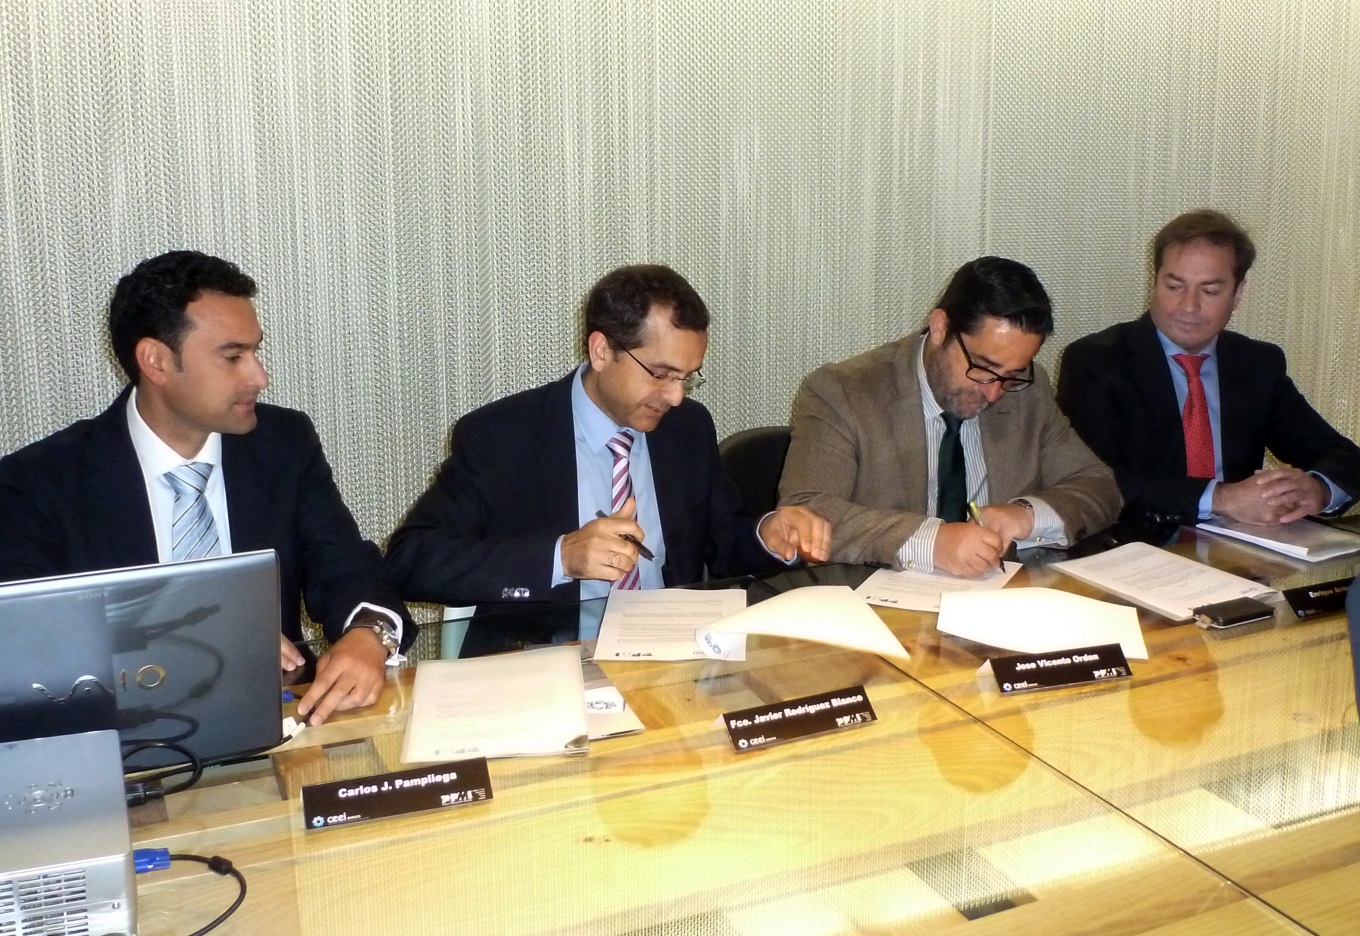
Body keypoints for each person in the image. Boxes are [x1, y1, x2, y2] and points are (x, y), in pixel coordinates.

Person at [0, 250, 413, 725]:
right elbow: (26, 641)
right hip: (118, 737)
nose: (259, 376)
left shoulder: (283, 444)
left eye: (255, 352)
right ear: (156, 361)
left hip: (273, 723)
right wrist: (187, 646)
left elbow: (345, 566)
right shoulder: (40, 481)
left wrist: (369, 633)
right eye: (232, 357)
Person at [386, 264, 830, 656]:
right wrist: (560, 557)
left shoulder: (687, 429)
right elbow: (411, 560)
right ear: (601, 351)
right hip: (546, 663)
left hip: (671, 657)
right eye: (660, 374)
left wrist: (767, 535)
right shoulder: (503, 436)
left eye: (687, 378)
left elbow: (723, 542)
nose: (676, 397)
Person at [778, 256, 1120, 577]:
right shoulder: (844, 392)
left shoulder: (1028, 391)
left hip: (1000, 599)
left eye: (1013, 374)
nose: (994, 392)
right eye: (983, 367)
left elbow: (1099, 486)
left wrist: (1025, 516)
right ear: (940, 327)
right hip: (881, 606)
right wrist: (932, 541)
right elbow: (806, 509)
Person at [1057, 209, 1360, 527]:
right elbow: (1094, 479)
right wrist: (1221, 498)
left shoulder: (1256, 364)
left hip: (1242, 547)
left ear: (1238, 293)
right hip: (1136, 543)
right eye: (1174, 287)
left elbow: (1343, 456)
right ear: (1154, 281)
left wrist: (1318, 488)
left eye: (1210, 291)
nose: (1189, 306)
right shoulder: (1096, 361)